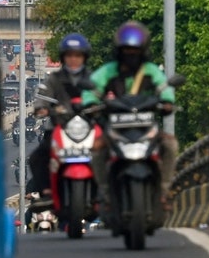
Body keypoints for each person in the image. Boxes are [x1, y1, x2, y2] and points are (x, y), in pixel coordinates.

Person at [84, 21, 177, 213]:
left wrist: (167, 101)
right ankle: (106, 194)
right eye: (127, 51)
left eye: (135, 51)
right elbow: (92, 89)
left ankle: (163, 191)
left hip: (146, 128)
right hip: (116, 130)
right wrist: (91, 103)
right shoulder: (108, 71)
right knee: (96, 149)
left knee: (170, 145)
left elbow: (164, 88)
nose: (131, 55)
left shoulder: (150, 71)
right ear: (119, 51)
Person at [26, 33, 93, 196]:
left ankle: (108, 192)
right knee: (37, 157)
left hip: (90, 128)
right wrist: (42, 108)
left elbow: (105, 95)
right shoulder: (54, 79)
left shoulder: (94, 78)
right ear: (63, 58)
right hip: (59, 127)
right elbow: (42, 99)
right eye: (69, 55)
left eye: (78, 55)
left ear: (84, 57)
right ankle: (47, 191)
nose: (73, 60)